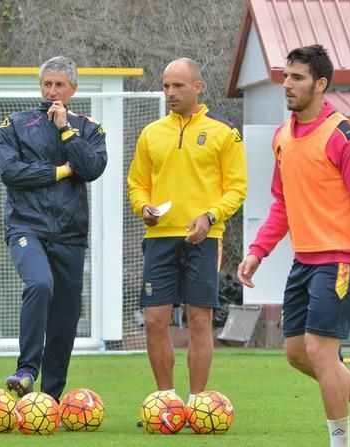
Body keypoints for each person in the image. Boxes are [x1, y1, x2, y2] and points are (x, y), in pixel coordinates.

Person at [237, 45, 350, 447]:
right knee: (298, 353)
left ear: (321, 84)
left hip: (343, 261)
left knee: (320, 352)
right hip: (304, 262)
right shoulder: (282, 137)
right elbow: (282, 203)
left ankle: (341, 444)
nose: (287, 85)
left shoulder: (345, 137)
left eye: (297, 78)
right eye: (285, 76)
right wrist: (257, 251)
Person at [127, 57, 247, 409]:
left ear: (197, 87)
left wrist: (210, 216)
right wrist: (143, 208)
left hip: (205, 239)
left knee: (199, 320)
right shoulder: (151, 133)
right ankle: (166, 400)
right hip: (159, 238)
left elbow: (236, 188)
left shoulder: (224, 133)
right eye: (166, 86)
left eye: (178, 86)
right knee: (154, 320)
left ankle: (197, 402)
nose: (170, 93)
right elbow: (137, 185)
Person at [0, 56, 107, 402]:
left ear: (73, 89)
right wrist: (59, 172)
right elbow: (11, 173)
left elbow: (92, 168)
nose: (52, 91)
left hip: (70, 235)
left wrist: (65, 130)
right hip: (26, 226)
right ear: (39, 85)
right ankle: (26, 370)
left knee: (66, 315)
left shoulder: (89, 129)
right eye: (47, 84)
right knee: (39, 283)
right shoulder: (14, 124)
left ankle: (50, 398)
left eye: (59, 85)